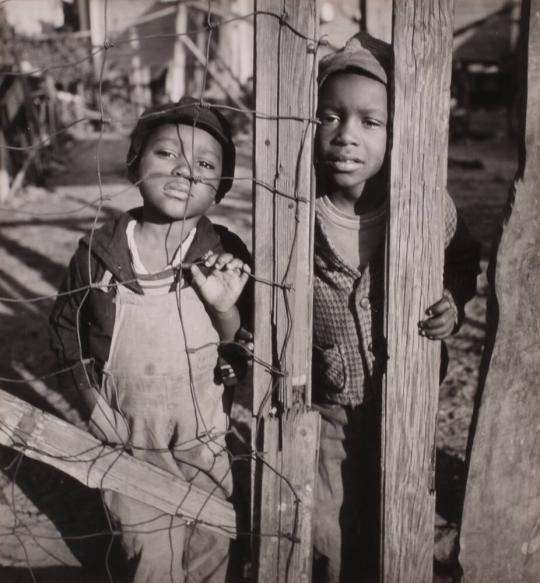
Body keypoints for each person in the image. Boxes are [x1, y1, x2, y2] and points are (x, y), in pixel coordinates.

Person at [50, 96, 251, 583]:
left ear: (220, 189)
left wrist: (227, 315)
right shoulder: (99, 251)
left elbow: (241, 344)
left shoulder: (224, 251)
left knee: (211, 539)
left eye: (204, 164)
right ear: (134, 162)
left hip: (203, 432)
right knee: (146, 549)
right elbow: (63, 331)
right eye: (166, 154)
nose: (185, 170)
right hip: (127, 432)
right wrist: (90, 403)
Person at [311, 32, 480, 582]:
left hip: (404, 397)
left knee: (398, 508)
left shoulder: (424, 203)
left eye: (369, 122)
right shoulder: (294, 211)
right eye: (330, 117)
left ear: (399, 133)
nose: (346, 136)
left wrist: (453, 300)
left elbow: (461, 256)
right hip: (325, 405)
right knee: (327, 524)